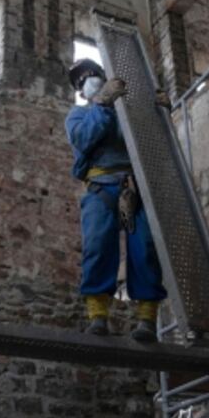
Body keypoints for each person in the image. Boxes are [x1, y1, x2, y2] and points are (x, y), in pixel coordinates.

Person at [64, 58, 167, 342]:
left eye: (94, 74)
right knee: (98, 246)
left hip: (134, 186)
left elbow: (151, 142)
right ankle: (98, 315)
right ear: (80, 90)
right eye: (82, 79)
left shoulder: (127, 114)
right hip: (100, 187)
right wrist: (102, 106)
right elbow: (85, 140)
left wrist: (157, 112)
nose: (90, 79)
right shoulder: (77, 115)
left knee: (145, 248)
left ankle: (146, 318)